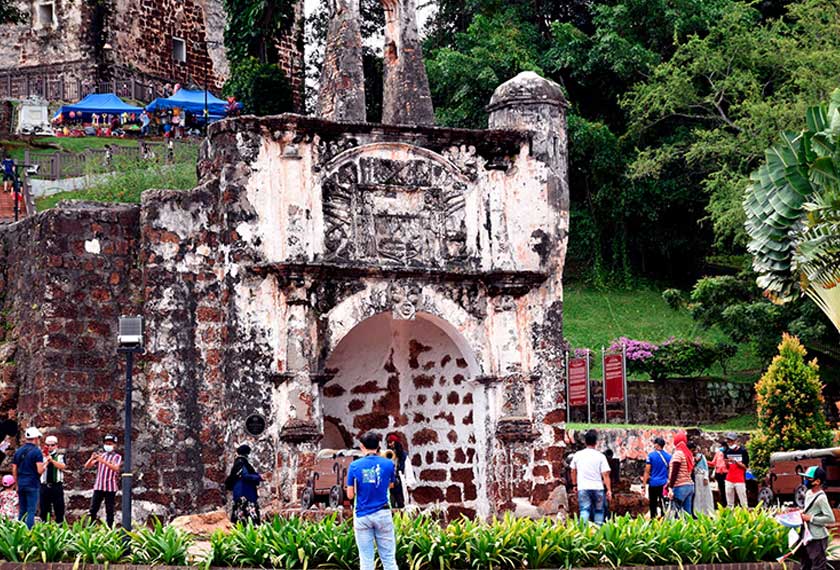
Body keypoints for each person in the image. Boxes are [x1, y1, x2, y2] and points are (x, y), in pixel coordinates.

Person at [346, 432, 397, 570]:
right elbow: (391, 485)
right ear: (378, 446)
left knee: (366, 560)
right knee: (389, 559)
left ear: (362, 446)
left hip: (362, 515)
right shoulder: (388, 464)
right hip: (383, 513)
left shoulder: (354, 466)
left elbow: (350, 495)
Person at [569, 429, 612, 525]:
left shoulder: (578, 455)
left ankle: (583, 532)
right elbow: (605, 474)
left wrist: (574, 484)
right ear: (596, 442)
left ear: (585, 441)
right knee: (599, 511)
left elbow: (573, 470)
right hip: (598, 488)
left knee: (584, 510)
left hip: (583, 487)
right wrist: (609, 490)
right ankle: (598, 532)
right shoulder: (600, 456)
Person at [798, 466, 835, 570]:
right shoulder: (808, 493)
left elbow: (830, 518)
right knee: (805, 564)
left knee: (818, 565)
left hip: (817, 538)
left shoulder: (821, 498)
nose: (805, 481)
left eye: (808, 479)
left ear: (817, 481)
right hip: (806, 535)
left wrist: (811, 518)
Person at [84, 434, 122, 526]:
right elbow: (87, 466)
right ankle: (90, 528)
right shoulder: (102, 455)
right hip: (99, 486)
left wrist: (103, 461)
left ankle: (109, 528)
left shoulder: (117, 457)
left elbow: (116, 468)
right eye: (106, 443)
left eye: (110, 443)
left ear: (114, 445)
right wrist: (91, 459)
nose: (108, 445)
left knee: (109, 510)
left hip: (110, 487)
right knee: (93, 509)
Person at [12, 426, 45, 528]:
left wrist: (16, 483)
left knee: (22, 510)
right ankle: (28, 533)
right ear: (35, 438)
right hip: (32, 483)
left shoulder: (18, 451)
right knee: (31, 511)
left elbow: (14, 469)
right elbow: (40, 470)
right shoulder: (37, 452)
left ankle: (18, 531)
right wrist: (46, 464)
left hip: (21, 483)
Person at [225, 444, 266, 524]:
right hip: (246, 493)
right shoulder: (242, 462)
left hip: (239, 493)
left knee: (240, 514)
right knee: (249, 516)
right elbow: (245, 475)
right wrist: (259, 477)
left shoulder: (237, 463)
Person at [40, 435, 67, 523]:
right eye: (48, 445)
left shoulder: (60, 456)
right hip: (44, 486)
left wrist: (52, 461)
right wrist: (46, 461)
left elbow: (62, 466)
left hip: (56, 486)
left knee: (59, 509)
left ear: (56, 446)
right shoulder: (41, 456)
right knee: (44, 510)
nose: (50, 447)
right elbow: (39, 469)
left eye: (52, 445)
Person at [667, 431, 695, 517]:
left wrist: (670, 488)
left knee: (675, 513)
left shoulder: (678, 454)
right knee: (688, 514)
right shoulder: (688, 454)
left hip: (680, 486)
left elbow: (674, 472)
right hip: (689, 485)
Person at [642, 437, 671, 518]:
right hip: (664, 484)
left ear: (657, 445)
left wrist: (643, 485)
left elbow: (647, 471)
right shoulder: (669, 457)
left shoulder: (651, 456)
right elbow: (670, 471)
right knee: (663, 505)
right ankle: (663, 521)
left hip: (653, 484)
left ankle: (653, 521)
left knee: (653, 505)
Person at [723, 432, 749, 508]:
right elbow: (728, 467)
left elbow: (745, 466)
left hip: (740, 479)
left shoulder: (743, 451)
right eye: (728, 441)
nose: (730, 443)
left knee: (743, 501)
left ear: (736, 441)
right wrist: (727, 463)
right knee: (729, 502)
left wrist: (736, 462)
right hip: (729, 479)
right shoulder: (727, 452)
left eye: (731, 441)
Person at [691, 442, 715, 516]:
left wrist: (705, 477)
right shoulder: (691, 457)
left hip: (701, 476)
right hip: (695, 477)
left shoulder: (701, 457)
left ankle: (707, 511)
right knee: (697, 495)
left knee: (705, 494)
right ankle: (698, 511)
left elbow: (705, 468)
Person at [386, 434, 410, 508]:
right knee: (390, 502)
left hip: (399, 481)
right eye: (389, 442)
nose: (390, 444)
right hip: (390, 481)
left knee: (401, 503)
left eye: (391, 442)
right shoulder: (387, 454)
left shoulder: (403, 455)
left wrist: (408, 482)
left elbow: (407, 469)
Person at [711, 442, 728, 507]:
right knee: (721, 489)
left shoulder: (728, 453)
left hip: (726, 473)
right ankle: (723, 503)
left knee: (727, 489)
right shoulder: (717, 453)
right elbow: (713, 463)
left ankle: (728, 503)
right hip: (719, 473)